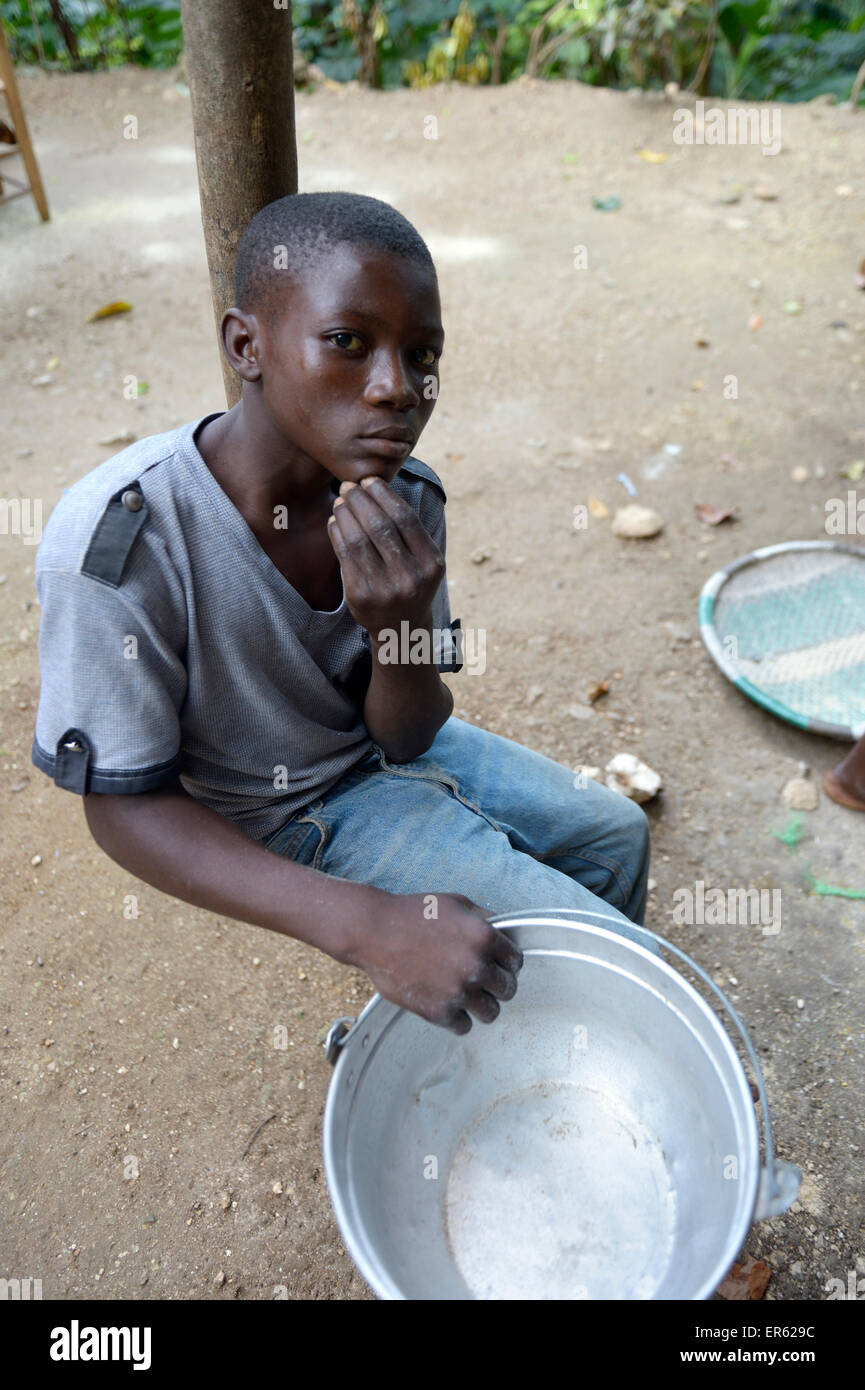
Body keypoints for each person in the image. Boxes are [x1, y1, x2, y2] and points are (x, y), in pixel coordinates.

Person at [30, 191, 651, 1036]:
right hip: (266, 808)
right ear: (245, 345)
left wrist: (396, 633)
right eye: (348, 342)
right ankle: (527, 1023)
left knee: (614, 838)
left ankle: (518, 1034)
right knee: (615, 970)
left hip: (368, 747)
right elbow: (124, 809)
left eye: (421, 353)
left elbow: (405, 737)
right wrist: (367, 925)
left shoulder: (405, 497)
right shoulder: (123, 541)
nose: (397, 389)